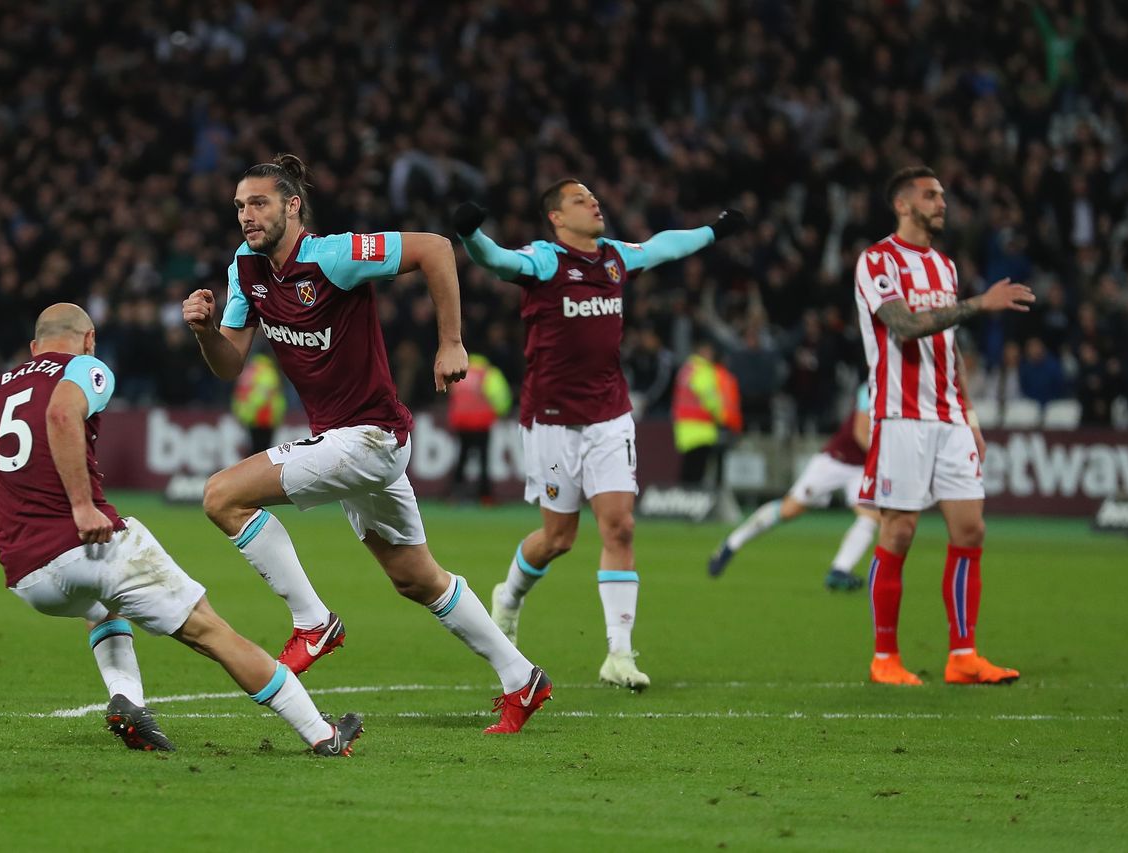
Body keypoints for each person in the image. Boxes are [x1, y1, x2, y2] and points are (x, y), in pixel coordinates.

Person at [182, 154, 551, 734]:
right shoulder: (246, 269)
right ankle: (521, 679)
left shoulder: (333, 256)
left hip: (371, 438)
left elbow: (434, 247)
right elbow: (229, 364)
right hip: (352, 443)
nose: (247, 216)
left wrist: (451, 343)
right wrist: (206, 333)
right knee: (416, 578)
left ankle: (313, 622)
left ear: (292, 205)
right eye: (239, 207)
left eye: (258, 203)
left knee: (221, 496)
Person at [0, 303, 361, 756]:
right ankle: (322, 734)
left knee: (101, 609)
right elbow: (60, 414)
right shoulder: (84, 368)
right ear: (90, 339)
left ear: (33, 348)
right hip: (88, 543)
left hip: (28, 577)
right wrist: (79, 507)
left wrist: (36, 505)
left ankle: (128, 701)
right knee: (210, 631)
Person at [452, 181, 747, 691]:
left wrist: (714, 231)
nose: (594, 203)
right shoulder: (544, 261)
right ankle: (510, 596)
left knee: (620, 527)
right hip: (550, 423)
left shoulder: (614, 258)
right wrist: (470, 233)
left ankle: (619, 654)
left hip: (609, 418)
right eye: (579, 200)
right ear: (557, 219)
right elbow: (497, 262)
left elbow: (663, 246)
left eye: (594, 197)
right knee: (558, 539)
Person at [855, 165, 1034, 686]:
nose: (942, 204)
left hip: (950, 416)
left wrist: (970, 415)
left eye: (942, 196)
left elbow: (948, 349)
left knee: (971, 529)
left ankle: (963, 655)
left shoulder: (946, 267)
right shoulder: (877, 260)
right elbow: (904, 326)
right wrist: (981, 304)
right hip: (900, 415)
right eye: (931, 196)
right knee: (900, 530)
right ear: (903, 205)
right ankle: (885, 657)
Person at [708, 384, 880, 591]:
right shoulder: (871, 386)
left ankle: (839, 570)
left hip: (863, 467)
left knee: (870, 516)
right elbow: (862, 432)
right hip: (836, 461)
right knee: (789, 510)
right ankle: (731, 543)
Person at [673, 338, 741, 497]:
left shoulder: (686, 369)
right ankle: (692, 504)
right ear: (702, 351)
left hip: (684, 428)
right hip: (701, 428)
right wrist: (723, 416)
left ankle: (682, 500)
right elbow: (709, 396)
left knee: (688, 469)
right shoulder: (702, 370)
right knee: (697, 471)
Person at [446, 352, 513, 504]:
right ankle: (485, 495)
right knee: (483, 459)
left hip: (461, 421)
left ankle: (455, 494)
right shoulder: (487, 372)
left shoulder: (460, 369)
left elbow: (452, 394)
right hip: (481, 422)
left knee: (462, 457)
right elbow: (499, 395)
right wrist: (501, 411)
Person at [233, 353, 286, 456]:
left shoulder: (248, 371)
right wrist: (279, 413)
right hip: (265, 416)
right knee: (264, 452)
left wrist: (241, 413)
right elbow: (269, 394)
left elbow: (240, 394)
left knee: (254, 448)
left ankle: (250, 470)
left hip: (250, 417)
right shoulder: (268, 371)